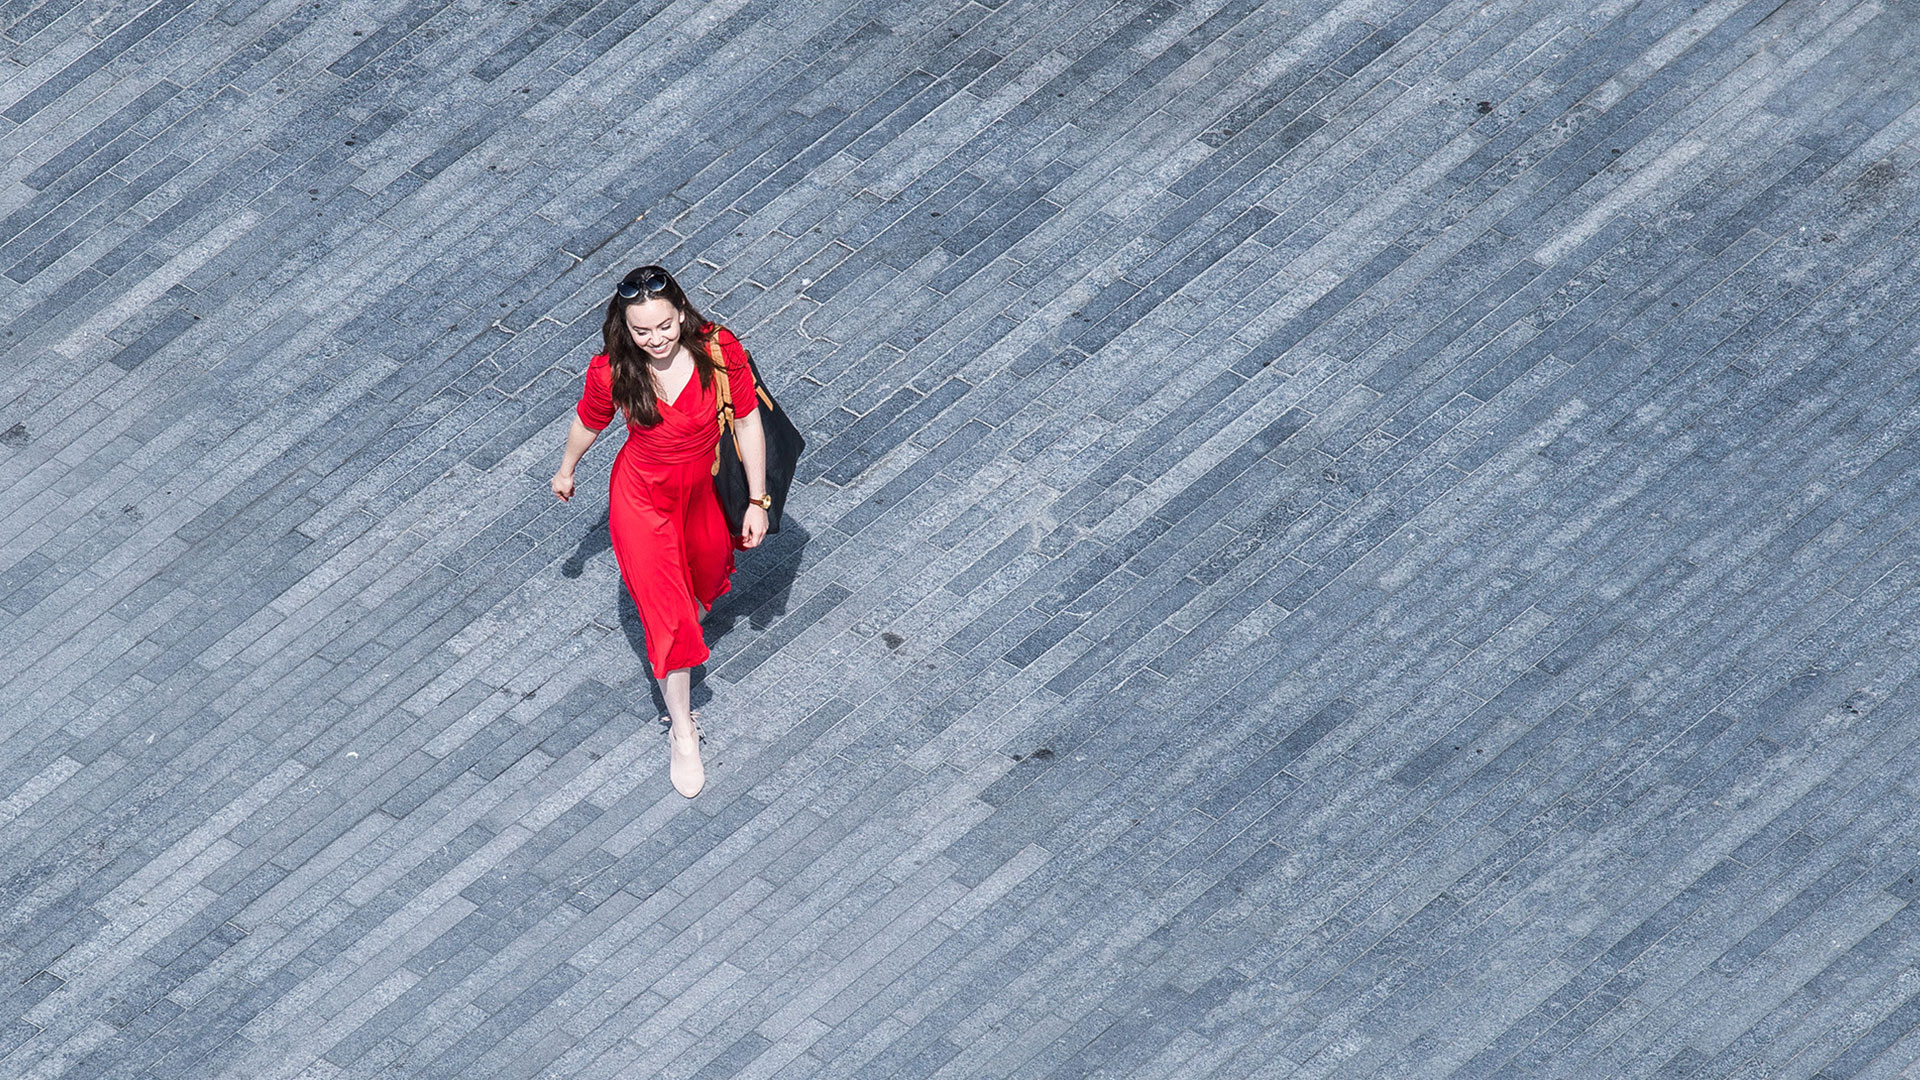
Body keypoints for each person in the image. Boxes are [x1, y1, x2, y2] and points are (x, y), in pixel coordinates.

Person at [550, 265, 769, 798]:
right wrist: (566, 468)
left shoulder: (717, 349)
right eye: (642, 331)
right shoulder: (612, 370)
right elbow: (590, 421)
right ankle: (683, 727)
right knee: (670, 619)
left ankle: (680, 637)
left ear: (682, 313)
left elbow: (746, 420)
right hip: (641, 499)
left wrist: (759, 500)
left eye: (664, 326)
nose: (655, 340)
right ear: (625, 328)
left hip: (700, 494)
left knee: (706, 581)